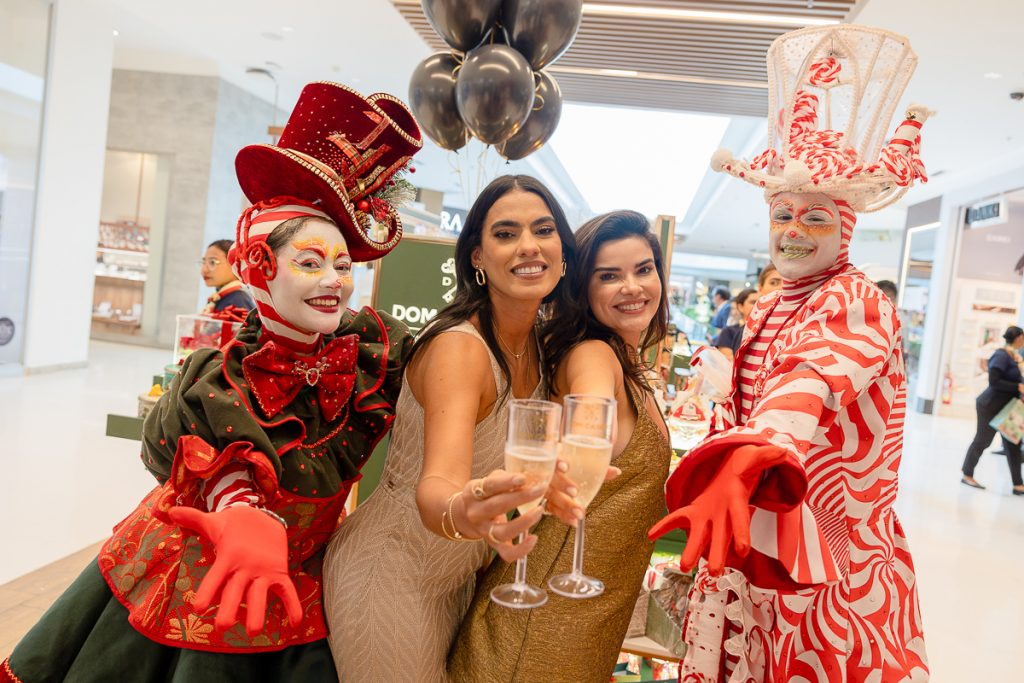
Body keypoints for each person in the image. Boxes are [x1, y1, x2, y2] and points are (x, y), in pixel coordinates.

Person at [0, 81, 423, 683]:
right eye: (309, 261)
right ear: (259, 268)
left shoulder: (368, 354)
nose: (335, 280)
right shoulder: (220, 376)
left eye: (342, 264)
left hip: (304, 585)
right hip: (202, 583)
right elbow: (218, 457)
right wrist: (239, 509)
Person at [650, 25, 931, 682]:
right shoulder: (778, 300)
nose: (794, 231)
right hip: (763, 536)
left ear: (846, 226)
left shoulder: (855, 297)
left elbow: (804, 388)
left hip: (829, 557)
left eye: (815, 217)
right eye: (783, 215)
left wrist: (744, 462)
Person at [323, 175, 580, 682]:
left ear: (563, 250)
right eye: (506, 234)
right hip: (389, 575)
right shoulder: (462, 349)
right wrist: (464, 508)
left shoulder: (541, 349)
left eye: (543, 230)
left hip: (458, 580)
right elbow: (437, 485)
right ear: (477, 257)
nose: (528, 246)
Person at [448, 210, 672, 682]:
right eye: (608, 276)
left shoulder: (632, 364)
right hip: (542, 624)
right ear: (581, 288)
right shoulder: (595, 354)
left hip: (587, 619)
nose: (632, 287)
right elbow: (588, 411)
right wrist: (580, 446)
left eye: (643, 269)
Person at [960, 325, 1024, 494]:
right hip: (989, 406)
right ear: (1018, 338)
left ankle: (1018, 485)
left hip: (1006, 409)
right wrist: (1018, 386)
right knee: (983, 441)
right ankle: (967, 474)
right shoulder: (1002, 355)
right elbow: (994, 382)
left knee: (1013, 444)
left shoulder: (1014, 356)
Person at [200, 238, 255, 313]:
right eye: (203, 262)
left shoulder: (238, 300)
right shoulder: (225, 297)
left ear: (235, 263)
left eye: (212, 262)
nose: (204, 270)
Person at [713, 287, 757, 360]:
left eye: (761, 301)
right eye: (753, 302)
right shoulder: (729, 332)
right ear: (740, 307)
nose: (759, 305)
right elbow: (728, 364)